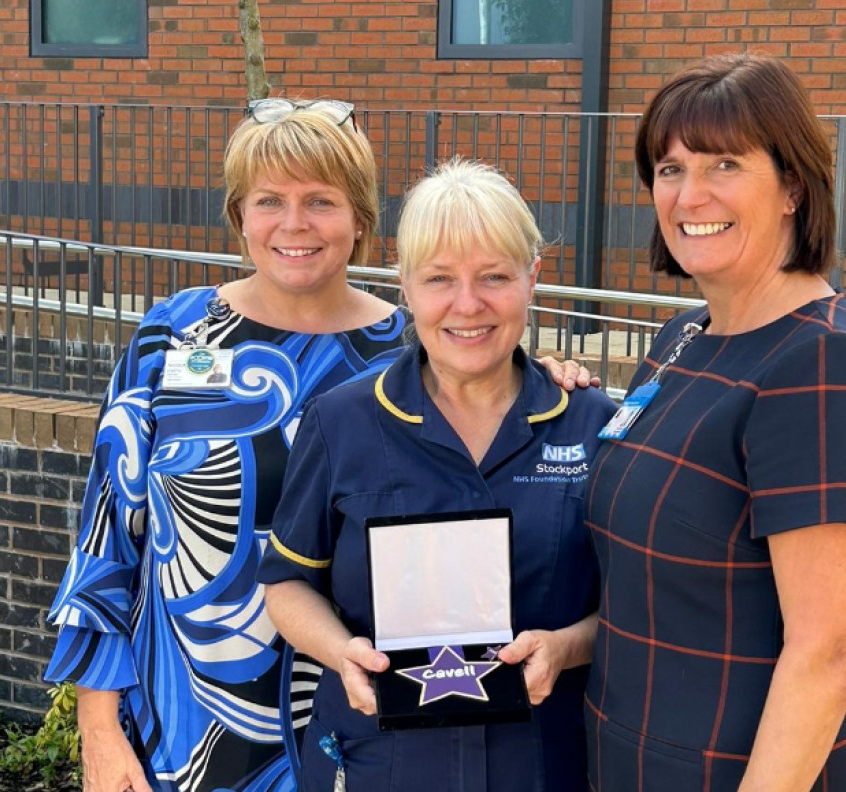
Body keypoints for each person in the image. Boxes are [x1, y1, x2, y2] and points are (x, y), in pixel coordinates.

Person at [44, 100, 591, 792]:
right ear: (240, 217)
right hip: (183, 723)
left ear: (361, 219)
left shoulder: (414, 343)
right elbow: (106, 539)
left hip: (358, 721)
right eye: (269, 200)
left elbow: (496, 379)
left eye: (321, 201)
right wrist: (99, 727)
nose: (294, 224)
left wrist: (553, 376)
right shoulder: (172, 339)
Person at [583, 53, 846, 792]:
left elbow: (829, 651)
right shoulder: (683, 338)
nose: (690, 194)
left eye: (723, 164)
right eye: (669, 169)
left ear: (792, 184)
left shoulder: (822, 363)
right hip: (626, 758)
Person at [258, 158, 618, 792]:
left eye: (495, 277)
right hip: (378, 763)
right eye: (440, 279)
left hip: (542, 763)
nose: (468, 305)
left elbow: (633, 602)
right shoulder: (341, 421)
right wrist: (339, 651)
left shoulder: (594, 426)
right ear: (405, 285)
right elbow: (287, 584)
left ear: (533, 277)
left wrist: (566, 647)